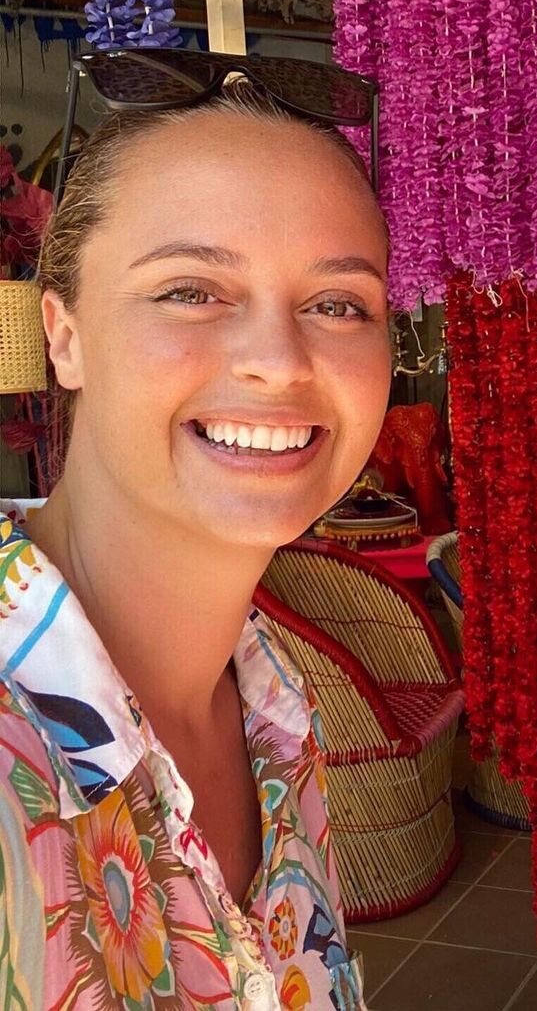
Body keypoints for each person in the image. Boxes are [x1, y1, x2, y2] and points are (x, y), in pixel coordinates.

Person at [0, 64, 390, 1010]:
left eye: (337, 303)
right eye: (191, 290)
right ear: (65, 333)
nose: (277, 361)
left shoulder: (276, 706)